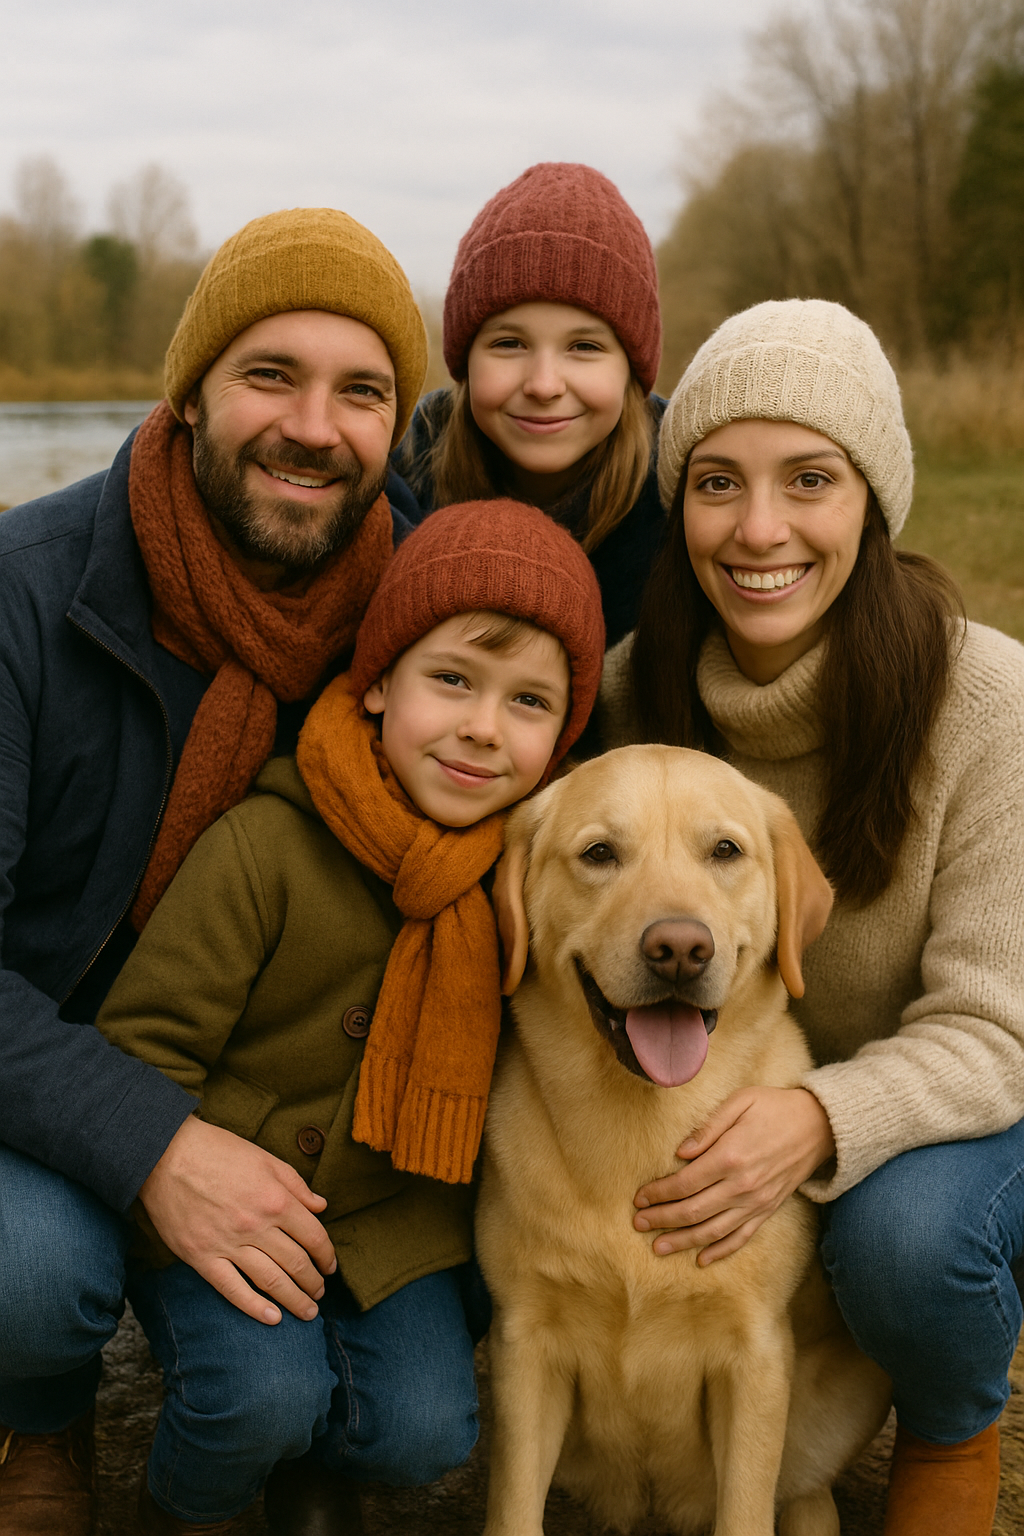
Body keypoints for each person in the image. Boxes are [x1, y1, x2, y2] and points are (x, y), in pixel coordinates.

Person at [0, 207, 430, 1535]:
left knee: (398, 1425)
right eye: (269, 375)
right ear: (187, 398)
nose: (315, 425)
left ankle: (286, 1428)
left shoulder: (415, 612)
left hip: (275, 1095)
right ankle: (40, 1412)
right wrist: (152, 1145)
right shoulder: (27, 590)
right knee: (33, 1273)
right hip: (44, 1075)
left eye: (362, 391)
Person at [94, 497, 605, 1533]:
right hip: (222, 1212)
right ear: (376, 682)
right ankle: (186, 1505)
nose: (479, 726)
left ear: (561, 740)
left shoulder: (530, 880)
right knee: (254, 1399)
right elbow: (141, 1046)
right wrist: (180, 1176)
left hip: (393, 1224)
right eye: (450, 680)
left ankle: (317, 1464)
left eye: (527, 703)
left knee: (424, 1432)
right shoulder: (266, 845)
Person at [598, 298, 1024, 1536]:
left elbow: (997, 1033)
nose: (760, 528)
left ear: (872, 503)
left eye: (810, 481)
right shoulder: (635, 690)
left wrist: (816, 1117)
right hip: (727, 1098)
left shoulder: (986, 699)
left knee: (902, 1237)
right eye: (718, 482)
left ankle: (950, 1427)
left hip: (970, 1115)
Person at [393, 160, 667, 648]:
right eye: (509, 344)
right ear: (464, 362)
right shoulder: (402, 488)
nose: (544, 385)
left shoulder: (685, 502)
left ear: (632, 370)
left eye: (584, 347)